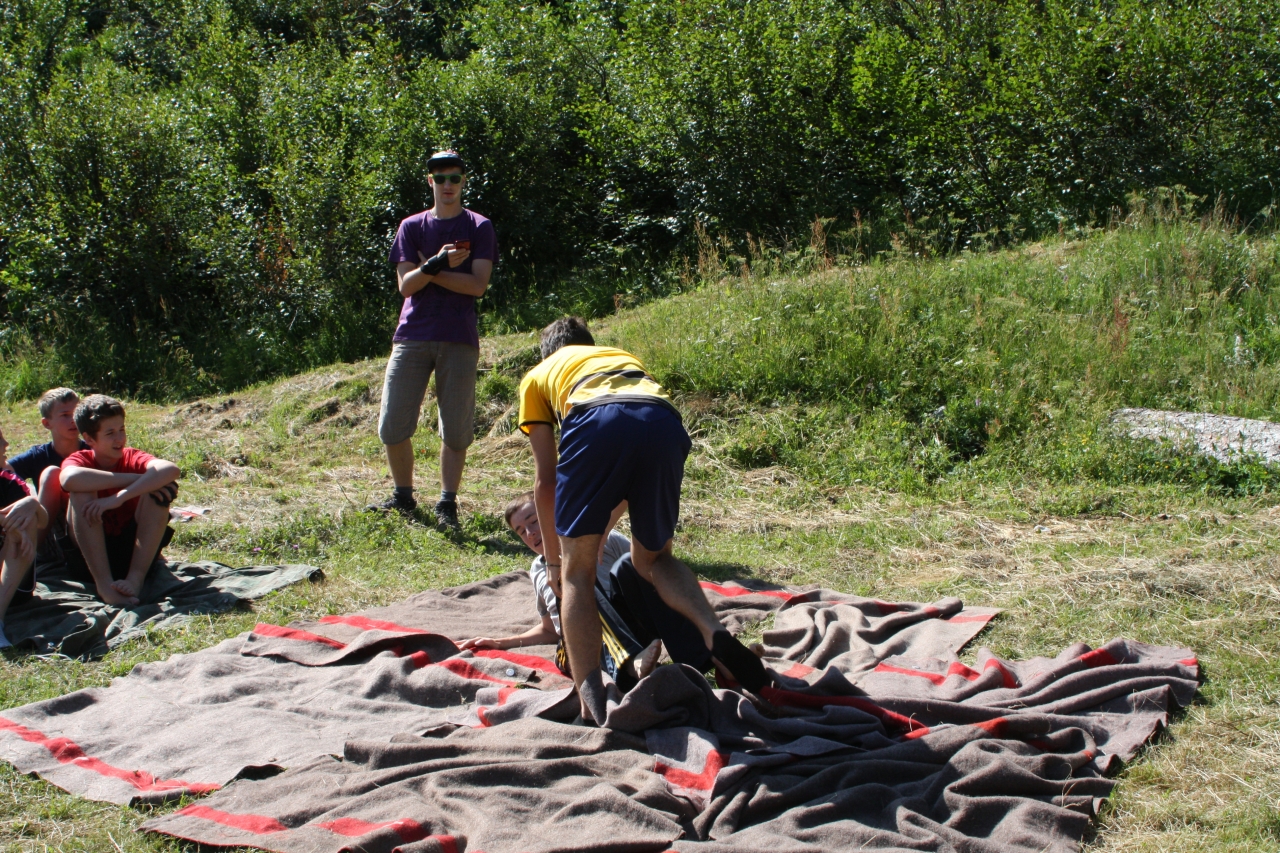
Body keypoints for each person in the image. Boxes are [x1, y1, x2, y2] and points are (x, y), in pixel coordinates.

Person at [517, 317, 769, 724]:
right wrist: (601, 523)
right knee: (653, 560)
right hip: (663, 420)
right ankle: (713, 632)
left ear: (548, 353)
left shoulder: (539, 375)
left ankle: (590, 701)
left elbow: (546, 481)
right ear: (589, 344)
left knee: (577, 574)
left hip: (593, 419)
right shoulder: (619, 358)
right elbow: (626, 460)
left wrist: (554, 561)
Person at [462, 491, 716, 691]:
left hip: (630, 624)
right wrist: (501, 643)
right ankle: (628, 665)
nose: (530, 533)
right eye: (521, 531)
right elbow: (551, 629)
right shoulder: (539, 570)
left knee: (629, 566)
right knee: (576, 582)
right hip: (582, 642)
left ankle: (706, 657)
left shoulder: (607, 540)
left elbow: (647, 576)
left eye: (534, 521)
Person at [368, 150, 497, 532]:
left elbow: (477, 285)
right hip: (412, 335)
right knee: (392, 424)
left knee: (455, 430)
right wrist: (437, 263)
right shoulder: (411, 227)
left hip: (458, 338)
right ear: (430, 182)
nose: (447, 185)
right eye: (440, 178)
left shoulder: (479, 226)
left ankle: (447, 503)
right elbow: (406, 286)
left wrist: (430, 269)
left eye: (454, 178)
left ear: (463, 181)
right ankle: (403, 496)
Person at [5, 388, 175, 545]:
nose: (73, 420)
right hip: (59, 525)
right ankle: (35, 552)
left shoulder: (99, 447)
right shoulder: (39, 456)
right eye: (65, 415)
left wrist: (145, 484)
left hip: (101, 517)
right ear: (47, 423)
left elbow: (165, 470)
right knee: (53, 474)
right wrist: (144, 480)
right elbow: (5, 473)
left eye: (75, 413)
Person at [59, 396, 180, 607]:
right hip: (88, 559)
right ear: (89, 439)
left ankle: (135, 579)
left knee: (159, 492)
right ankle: (104, 585)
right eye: (110, 433)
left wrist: (118, 498)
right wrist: (138, 480)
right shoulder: (81, 459)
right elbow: (69, 479)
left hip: (132, 553)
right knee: (81, 491)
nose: (119, 439)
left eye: (121, 430)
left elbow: (171, 469)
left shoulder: (131, 456)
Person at [0, 426, 48, 649]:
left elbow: (42, 522)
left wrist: (33, 504)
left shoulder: (8, 482)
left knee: (26, 515)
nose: (6, 445)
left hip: (12, 586)